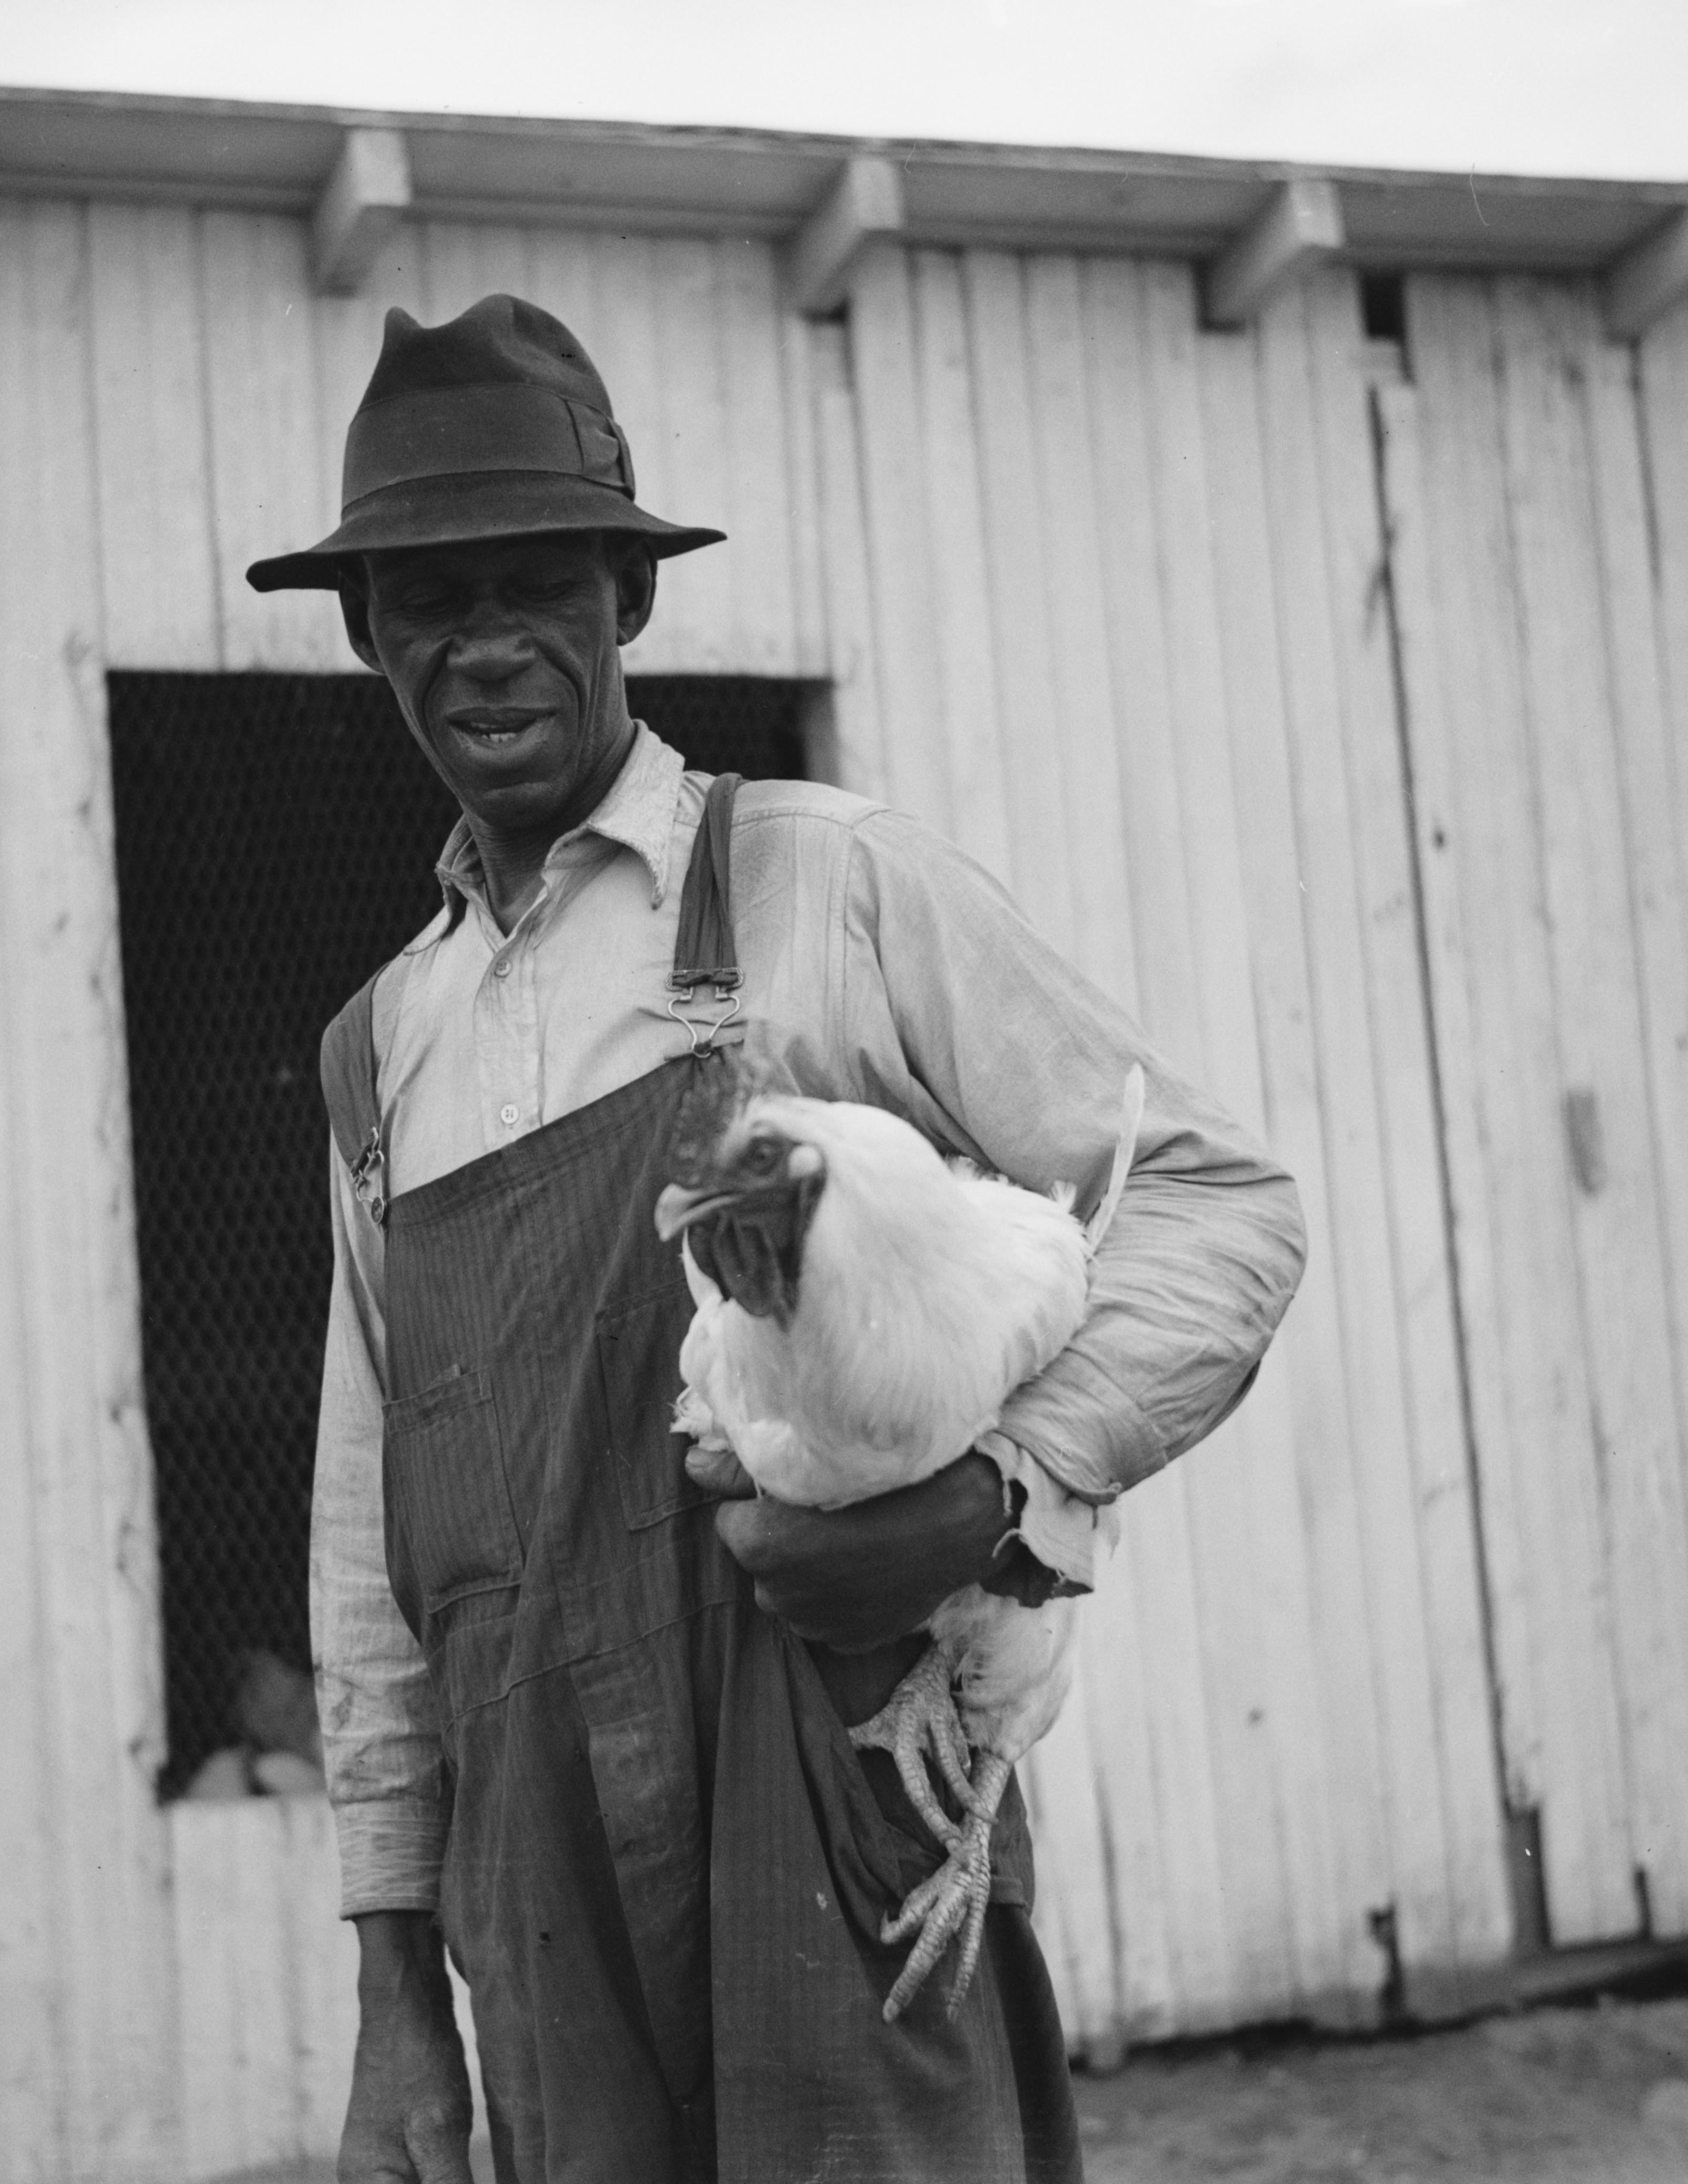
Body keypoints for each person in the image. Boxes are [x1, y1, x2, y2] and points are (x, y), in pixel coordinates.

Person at [246, 294, 1306, 2184]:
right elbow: (365, 1554)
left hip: (832, 1784)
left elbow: (1215, 1203)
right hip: (534, 1867)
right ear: (366, 637)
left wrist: (997, 1491)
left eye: (536, 582)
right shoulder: (371, 1058)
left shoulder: (829, 883)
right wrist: (396, 1992)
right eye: (428, 599)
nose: (485, 641)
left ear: (625, 604)